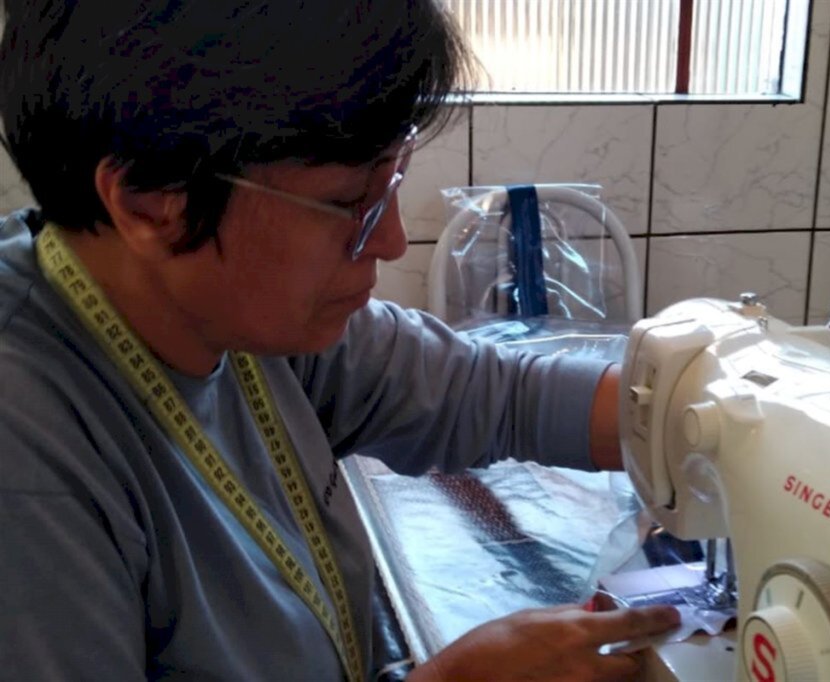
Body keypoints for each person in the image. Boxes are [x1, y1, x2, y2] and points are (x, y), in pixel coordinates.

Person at [0, 1, 680, 680]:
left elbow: (488, 393)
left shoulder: (224, 316)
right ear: (152, 201)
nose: (387, 241)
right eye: (353, 202)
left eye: (392, 182)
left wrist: (696, 419)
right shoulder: (30, 464)